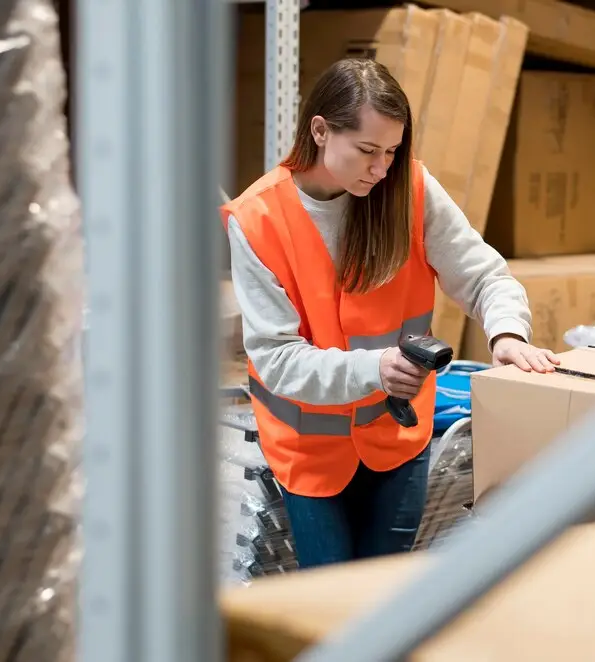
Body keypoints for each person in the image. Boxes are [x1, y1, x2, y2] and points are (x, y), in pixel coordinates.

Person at [220, 58, 560, 570]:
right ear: (320, 130)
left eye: (392, 152)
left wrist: (506, 334)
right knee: (332, 608)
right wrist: (374, 369)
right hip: (309, 450)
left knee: (383, 599)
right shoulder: (258, 219)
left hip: (396, 438)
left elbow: (485, 275)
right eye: (367, 151)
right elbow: (277, 358)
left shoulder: (409, 189)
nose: (381, 169)